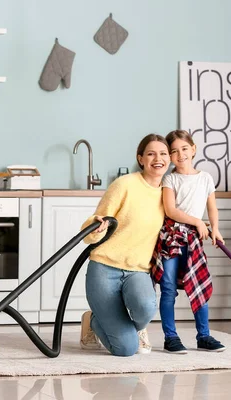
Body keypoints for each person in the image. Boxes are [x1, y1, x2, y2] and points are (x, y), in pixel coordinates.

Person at [79, 133, 171, 357]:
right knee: (127, 349)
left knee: (146, 306)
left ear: (169, 158)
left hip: (137, 271)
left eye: (163, 153)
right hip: (104, 269)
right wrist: (96, 226)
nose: (157, 158)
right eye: (151, 153)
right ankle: (92, 320)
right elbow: (90, 230)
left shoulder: (169, 194)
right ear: (141, 158)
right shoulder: (125, 184)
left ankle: (125, 326)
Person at [151, 129, 226, 353]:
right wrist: (198, 222)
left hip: (193, 240)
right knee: (168, 287)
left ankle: (204, 336)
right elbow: (171, 210)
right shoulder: (170, 178)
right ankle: (170, 337)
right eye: (173, 151)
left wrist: (215, 229)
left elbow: (212, 207)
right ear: (169, 156)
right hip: (171, 238)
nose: (180, 154)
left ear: (193, 149)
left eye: (184, 149)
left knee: (198, 285)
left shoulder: (205, 178)